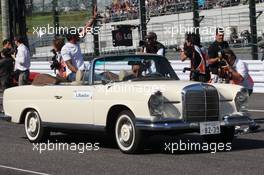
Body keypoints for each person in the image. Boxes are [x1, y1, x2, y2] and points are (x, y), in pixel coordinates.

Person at [222, 48, 259, 132]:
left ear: (230, 56)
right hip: (237, 88)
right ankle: (252, 124)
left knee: (236, 107)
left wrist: (230, 69)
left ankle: (237, 126)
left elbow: (240, 79)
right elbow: (229, 78)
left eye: (226, 58)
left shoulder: (240, 64)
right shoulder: (229, 63)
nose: (225, 60)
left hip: (246, 88)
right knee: (239, 108)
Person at [61, 6, 97, 81]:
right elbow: (70, 66)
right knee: (94, 77)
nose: (79, 34)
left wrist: (93, 18)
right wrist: (81, 73)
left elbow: (86, 29)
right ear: (73, 37)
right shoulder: (65, 49)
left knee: (105, 74)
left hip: (82, 72)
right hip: (72, 74)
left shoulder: (76, 42)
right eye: (77, 33)